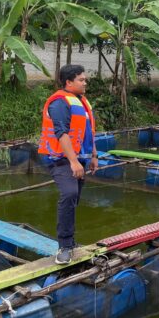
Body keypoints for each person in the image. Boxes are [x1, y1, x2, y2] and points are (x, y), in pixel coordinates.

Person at [38, 64, 98, 264]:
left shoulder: (82, 101)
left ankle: (70, 242)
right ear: (69, 82)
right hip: (59, 159)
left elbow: (89, 131)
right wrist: (73, 161)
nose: (85, 82)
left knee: (74, 198)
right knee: (69, 193)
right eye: (81, 79)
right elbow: (61, 132)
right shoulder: (59, 102)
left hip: (78, 158)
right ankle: (64, 246)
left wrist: (93, 156)